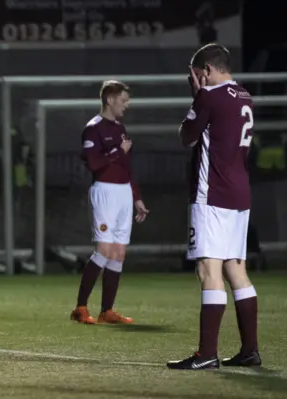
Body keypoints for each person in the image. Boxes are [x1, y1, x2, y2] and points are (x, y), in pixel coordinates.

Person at [167, 43, 260, 370]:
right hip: (239, 195)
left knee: (209, 270)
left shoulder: (208, 96)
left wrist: (197, 96)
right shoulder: (245, 96)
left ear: (205, 71)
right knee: (236, 270)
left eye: (196, 74)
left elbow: (186, 136)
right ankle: (250, 350)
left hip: (212, 195)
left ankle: (207, 354)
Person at [70, 80, 149, 325]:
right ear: (110, 99)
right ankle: (80, 308)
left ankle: (107, 311)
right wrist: (118, 151)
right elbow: (93, 164)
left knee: (118, 252)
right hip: (105, 192)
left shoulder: (120, 128)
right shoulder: (93, 129)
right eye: (123, 100)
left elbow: (126, 166)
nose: (127, 105)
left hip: (124, 192)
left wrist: (136, 197)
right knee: (104, 249)